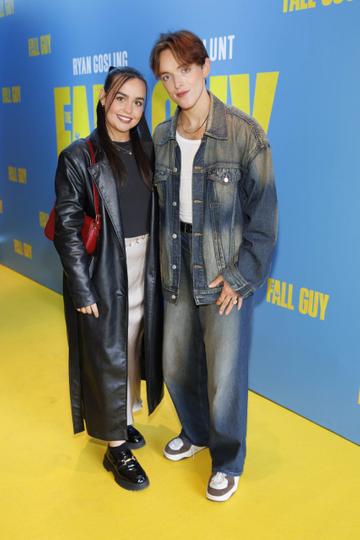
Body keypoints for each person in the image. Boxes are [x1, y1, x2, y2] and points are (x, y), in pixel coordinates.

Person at [150, 30, 277, 502]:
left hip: (223, 263)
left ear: (205, 67)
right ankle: (196, 431)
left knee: (224, 374)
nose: (177, 83)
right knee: (176, 363)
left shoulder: (245, 133)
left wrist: (242, 276)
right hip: (175, 261)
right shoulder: (162, 136)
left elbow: (263, 219)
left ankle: (227, 459)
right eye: (167, 75)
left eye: (184, 69)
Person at [53, 66, 163, 491]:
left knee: (131, 348)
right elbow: (66, 227)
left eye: (138, 102)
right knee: (105, 353)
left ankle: (123, 417)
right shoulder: (79, 156)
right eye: (121, 98)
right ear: (103, 98)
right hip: (103, 271)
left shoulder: (147, 151)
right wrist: (81, 286)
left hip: (144, 267)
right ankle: (116, 447)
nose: (129, 110)